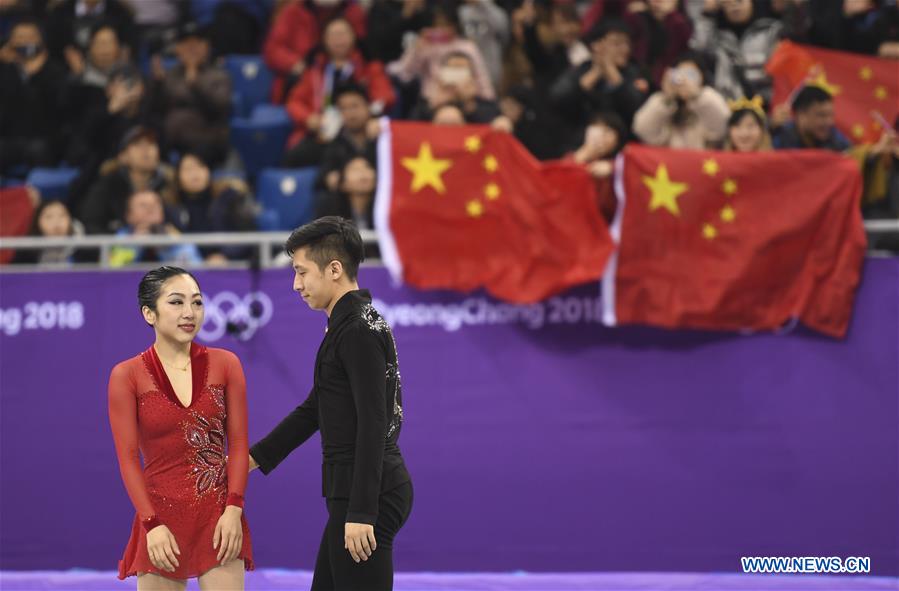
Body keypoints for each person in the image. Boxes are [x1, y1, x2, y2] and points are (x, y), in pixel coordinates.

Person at [248, 217, 413, 591]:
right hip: (357, 491)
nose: (296, 284)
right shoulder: (349, 324)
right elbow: (316, 408)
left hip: (366, 493)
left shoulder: (355, 329)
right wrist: (251, 460)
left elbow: (374, 422)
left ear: (334, 269)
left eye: (301, 272)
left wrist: (361, 511)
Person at [108, 266, 254, 588]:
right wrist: (151, 524)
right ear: (149, 313)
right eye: (176, 303)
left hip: (218, 516)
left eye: (197, 302)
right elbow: (129, 459)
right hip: (160, 518)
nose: (190, 313)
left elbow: (240, 445)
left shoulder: (226, 364)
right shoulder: (127, 375)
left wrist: (234, 509)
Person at [632, 52, 730, 149]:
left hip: (704, 163)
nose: (685, 80)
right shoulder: (664, 104)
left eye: (691, 75)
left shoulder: (709, 100)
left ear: (702, 77)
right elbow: (642, 130)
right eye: (680, 74)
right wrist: (666, 99)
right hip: (669, 163)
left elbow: (723, 126)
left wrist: (697, 96)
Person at [773, 85, 851, 151]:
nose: (830, 122)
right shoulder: (779, 141)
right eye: (822, 115)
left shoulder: (836, 139)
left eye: (830, 115)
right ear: (801, 115)